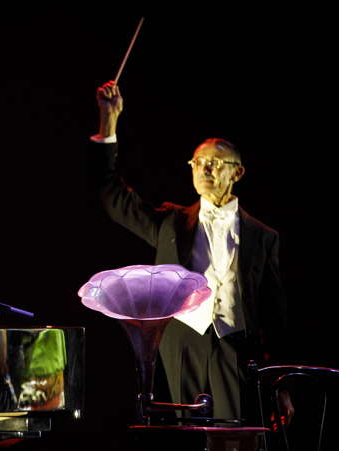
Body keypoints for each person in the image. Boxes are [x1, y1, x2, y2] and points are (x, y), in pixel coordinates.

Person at [92, 81, 286, 421]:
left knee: (234, 436)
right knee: (185, 434)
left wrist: (281, 383)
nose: (205, 169)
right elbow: (113, 199)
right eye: (198, 162)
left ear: (237, 172)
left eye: (215, 162)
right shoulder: (171, 223)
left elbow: (274, 313)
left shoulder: (263, 237)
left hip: (235, 343)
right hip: (183, 337)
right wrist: (109, 123)